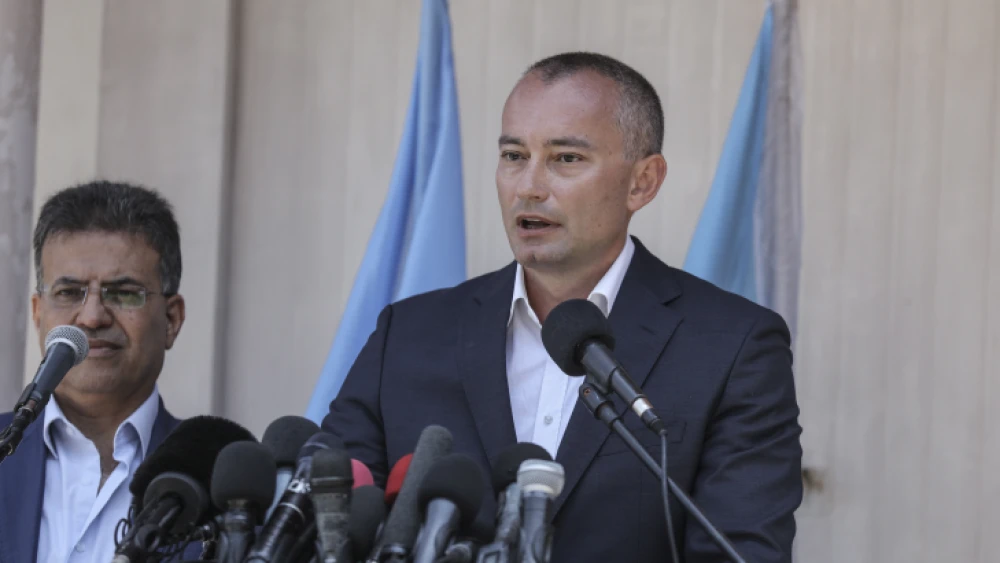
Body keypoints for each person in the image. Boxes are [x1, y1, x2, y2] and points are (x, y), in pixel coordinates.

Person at [323, 52, 803, 562]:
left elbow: (740, 552)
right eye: (513, 155)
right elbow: (328, 523)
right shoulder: (409, 334)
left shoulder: (733, 346)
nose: (528, 187)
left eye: (565, 159)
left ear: (643, 182)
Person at [0, 181, 187, 563]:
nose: (92, 317)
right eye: (69, 292)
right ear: (38, 314)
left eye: (124, 292)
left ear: (171, 319)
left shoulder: (223, 475)